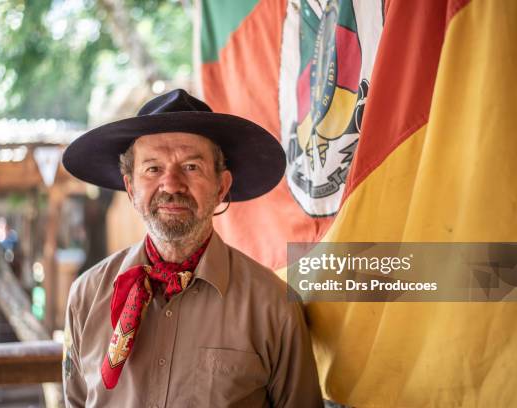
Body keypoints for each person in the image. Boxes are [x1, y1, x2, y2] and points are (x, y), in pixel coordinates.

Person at [61, 89, 323, 407]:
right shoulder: (86, 298)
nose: (171, 184)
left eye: (191, 167)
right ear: (130, 187)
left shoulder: (272, 307)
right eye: (153, 169)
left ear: (221, 187)